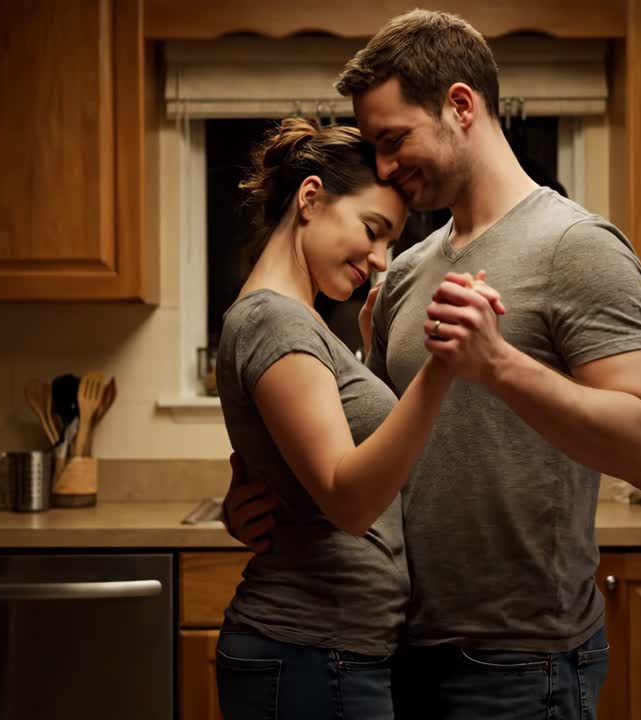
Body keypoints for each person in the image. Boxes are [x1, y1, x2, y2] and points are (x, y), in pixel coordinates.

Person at [223, 10, 641, 720]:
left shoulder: (578, 247)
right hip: (398, 652)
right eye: (374, 146)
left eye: (393, 138)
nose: (383, 166)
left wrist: (499, 365)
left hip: (522, 663)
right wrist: (269, 502)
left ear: (461, 106)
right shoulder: (403, 276)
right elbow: (369, 454)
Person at [212, 117, 504, 720]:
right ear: (311, 198)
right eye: (373, 231)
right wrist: (441, 366)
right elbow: (348, 501)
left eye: (391, 243)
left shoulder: (301, 321)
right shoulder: (275, 321)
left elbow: (321, 469)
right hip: (310, 651)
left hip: (329, 652)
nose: (379, 260)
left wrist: (371, 357)